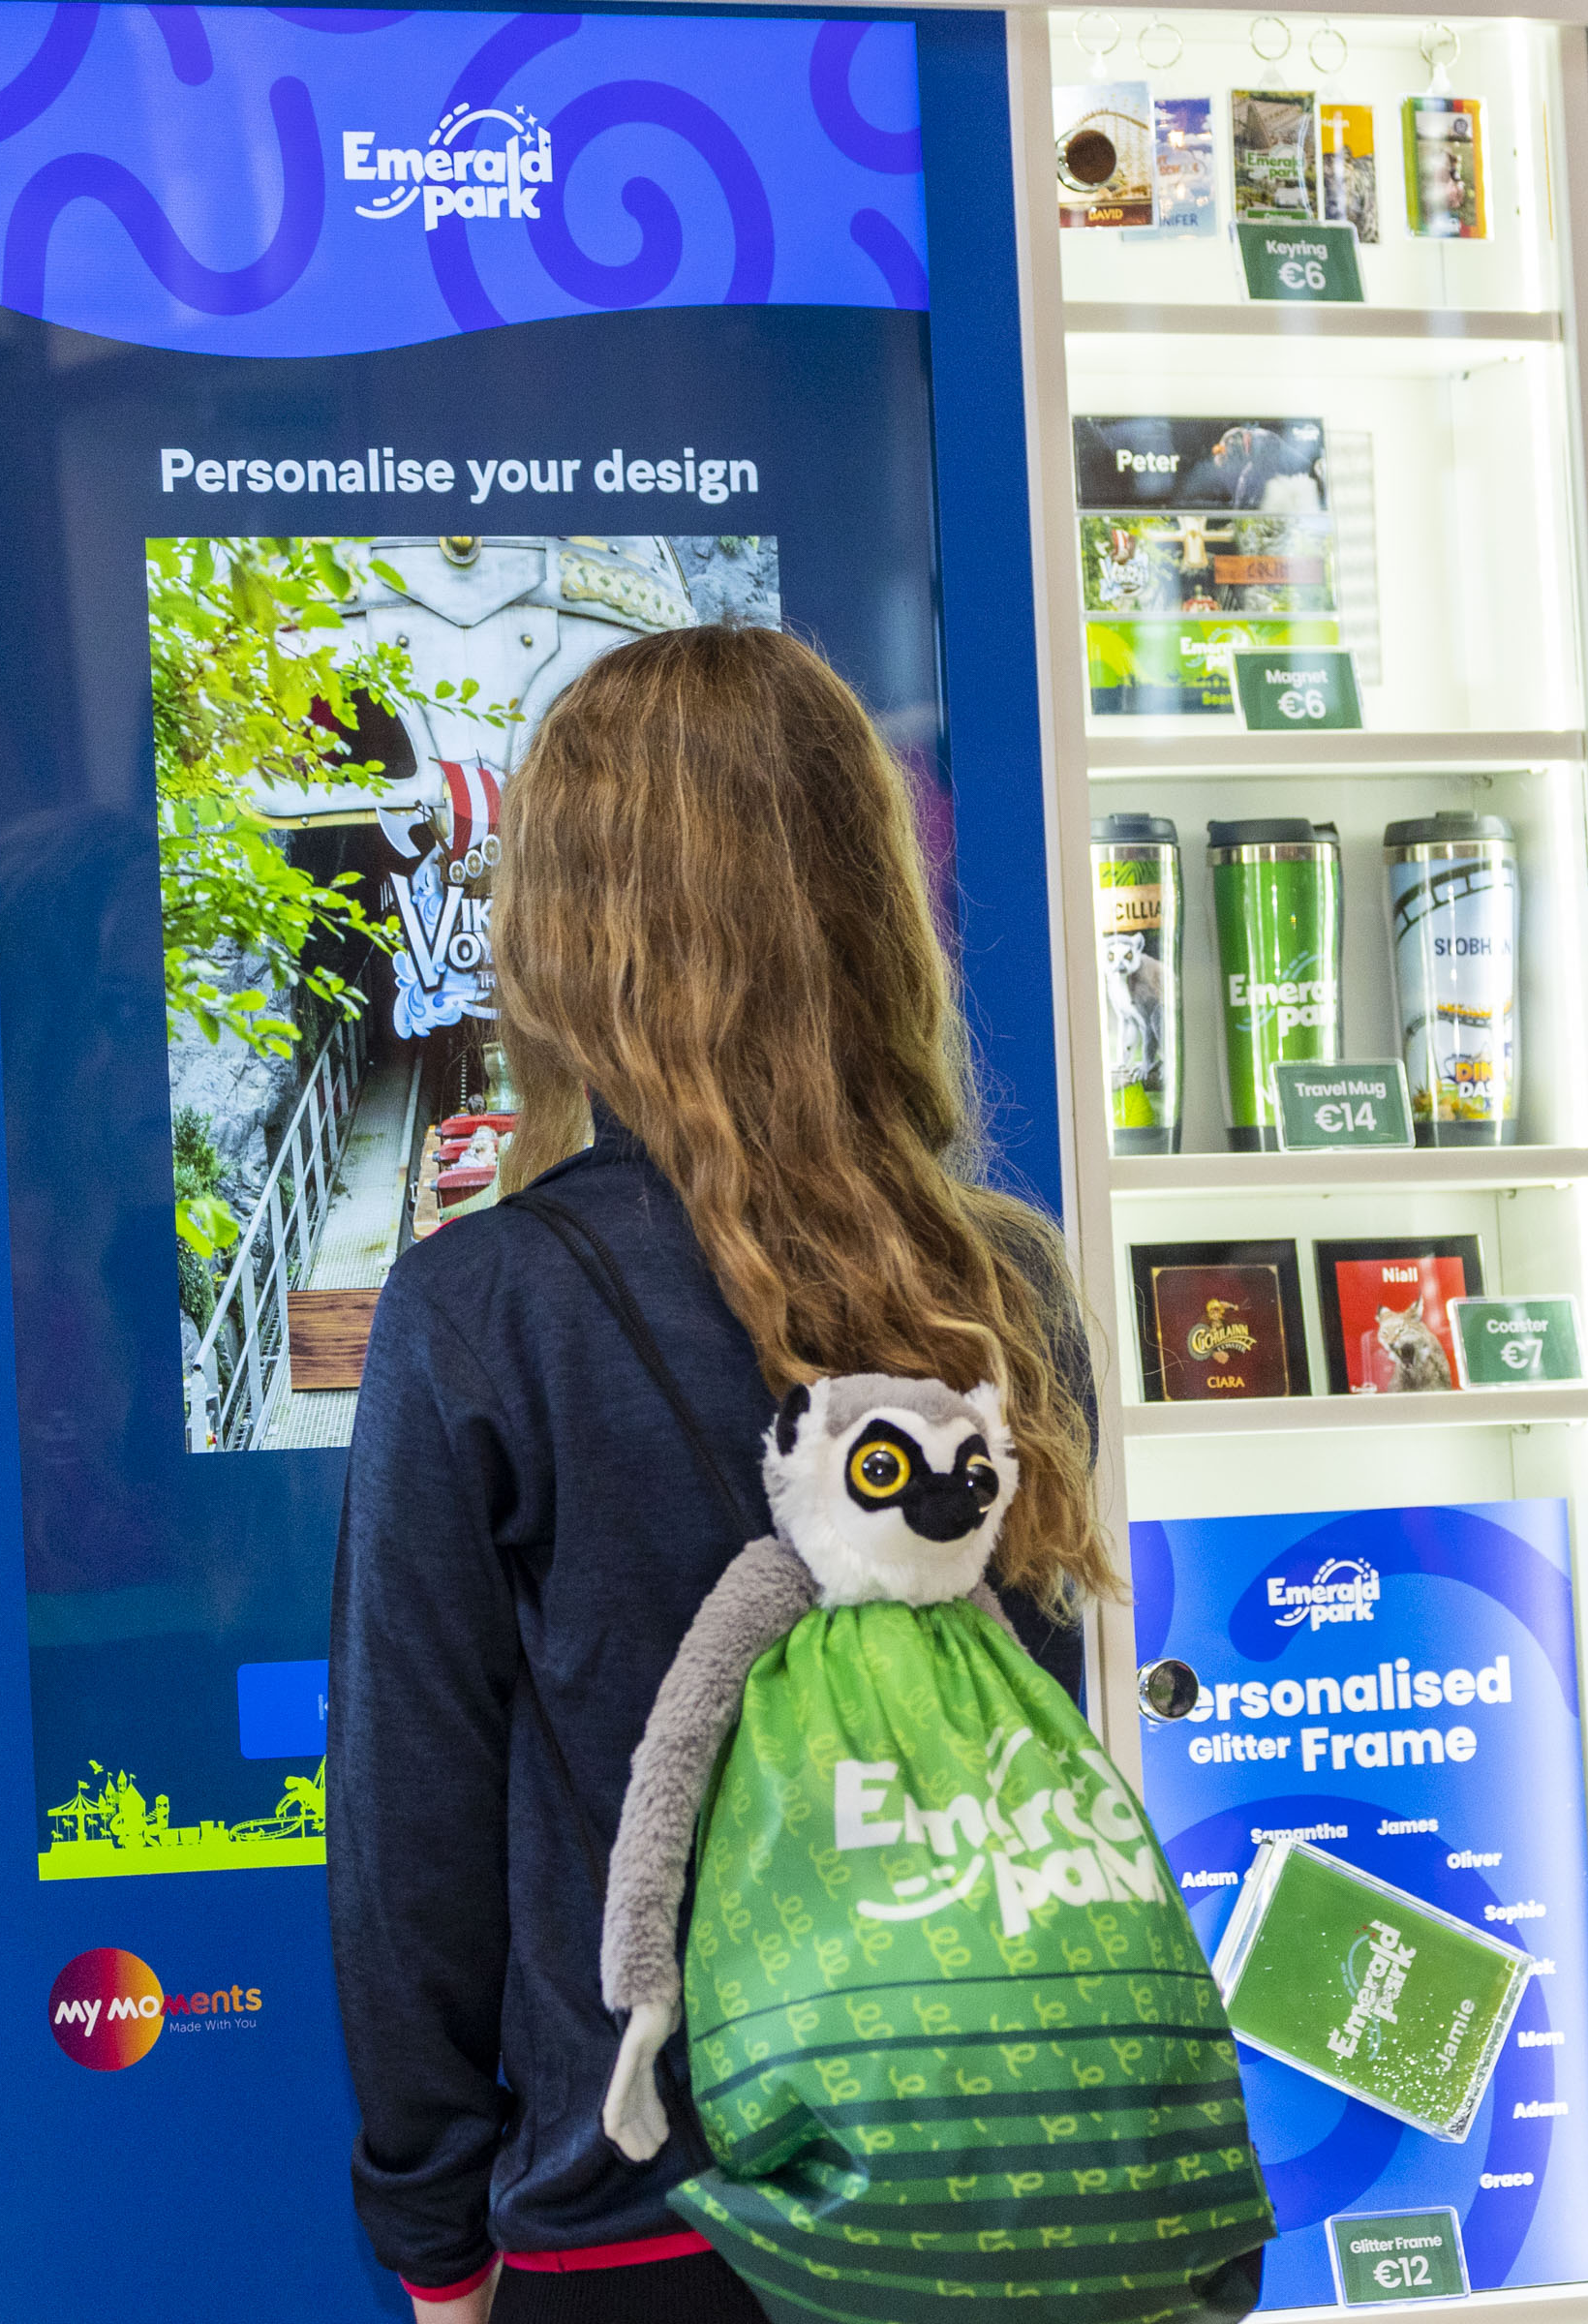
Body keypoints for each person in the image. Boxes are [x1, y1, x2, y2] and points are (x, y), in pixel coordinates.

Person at [328, 626, 1107, 2323]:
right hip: (984, 2202)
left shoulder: (485, 1306)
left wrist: (435, 2238)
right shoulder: (1008, 1285)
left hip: (650, 2222)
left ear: (562, 933)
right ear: (866, 899)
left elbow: (416, 1844)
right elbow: (1032, 1748)